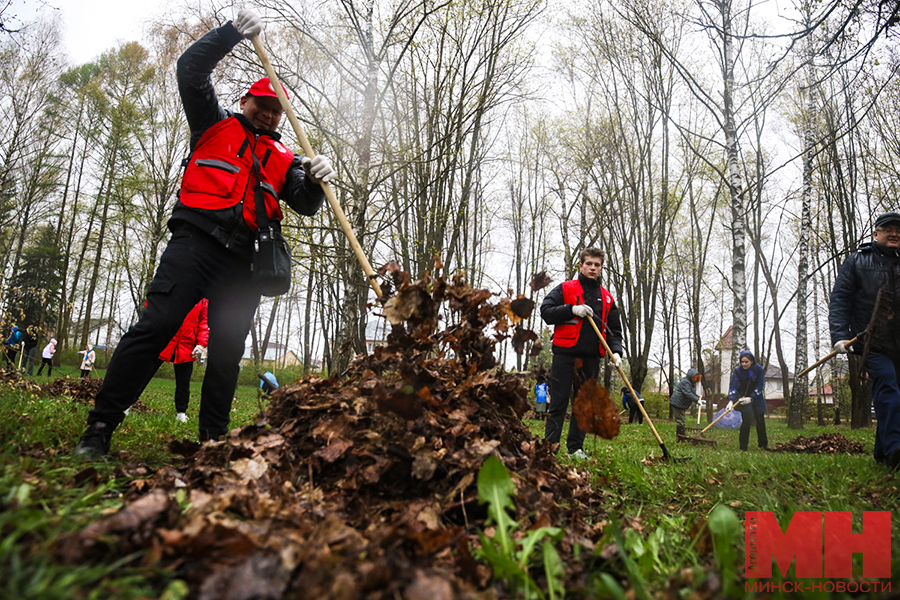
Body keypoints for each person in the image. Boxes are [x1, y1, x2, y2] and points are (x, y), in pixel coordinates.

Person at [74, 9, 334, 458]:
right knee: (156, 328)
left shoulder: (287, 158)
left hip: (244, 263)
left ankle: (213, 442)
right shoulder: (212, 123)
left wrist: (314, 179)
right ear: (247, 101)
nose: (269, 115)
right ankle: (99, 428)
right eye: (262, 106)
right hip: (196, 242)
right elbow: (190, 68)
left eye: (276, 111)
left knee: (227, 354)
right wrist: (231, 33)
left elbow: (306, 204)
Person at [830, 211, 900, 467]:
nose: (894, 234)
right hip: (871, 341)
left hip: (898, 344)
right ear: (876, 233)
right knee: (888, 387)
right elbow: (840, 299)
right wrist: (839, 335)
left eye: (898, 230)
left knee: (892, 396)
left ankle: (883, 454)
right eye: (888, 229)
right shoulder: (857, 261)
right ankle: (895, 449)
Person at [539, 247, 624, 459]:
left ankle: (576, 448)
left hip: (591, 358)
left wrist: (616, 352)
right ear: (581, 265)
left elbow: (614, 331)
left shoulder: (607, 299)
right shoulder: (565, 289)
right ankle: (551, 446)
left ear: (602, 268)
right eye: (589, 264)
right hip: (565, 355)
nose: (593, 268)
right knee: (558, 402)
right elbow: (546, 312)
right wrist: (571, 309)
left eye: (597, 265)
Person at [155, 299, 209, 422]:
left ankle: (181, 413)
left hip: (187, 346)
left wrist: (201, 343)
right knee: (144, 373)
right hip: (165, 340)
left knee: (184, 381)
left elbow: (204, 323)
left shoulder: (203, 300)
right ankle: (127, 404)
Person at [727, 349, 770, 451]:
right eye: (742, 362)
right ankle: (743, 447)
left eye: (747, 362)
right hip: (743, 398)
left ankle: (764, 444)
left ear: (751, 361)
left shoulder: (758, 369)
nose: (744, 364)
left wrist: (751, 397)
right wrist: (731, 400)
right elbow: (734, 385)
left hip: (757, 397)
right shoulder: (738, 371)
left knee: (760, 420)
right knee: (746, 420)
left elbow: (760, 385)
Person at [669, 368, 701, 436]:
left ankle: (681, 434)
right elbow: (687, 393)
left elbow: (691, 393)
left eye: (696, 378)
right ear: (691, 376)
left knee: (682, 419)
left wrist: (698, 398)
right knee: (681, 419)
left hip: (680, 403)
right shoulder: (685, 382)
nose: (695, 379)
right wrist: (696, 400)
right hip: (677, 402)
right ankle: (681, 435)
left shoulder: (690, 384)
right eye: (694, 378)